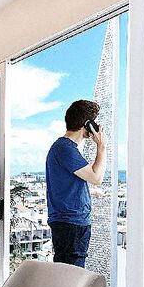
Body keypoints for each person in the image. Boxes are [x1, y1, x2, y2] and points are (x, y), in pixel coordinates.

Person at [45, 99, 107, 267]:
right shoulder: (65, 148)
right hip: (71, 225)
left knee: (68, 275)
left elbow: (68, 185)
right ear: (88, 124)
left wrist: (88, 193)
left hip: (70, 224)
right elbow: (97, 178)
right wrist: (101, 146)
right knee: (72, 278)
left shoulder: (63, 148)